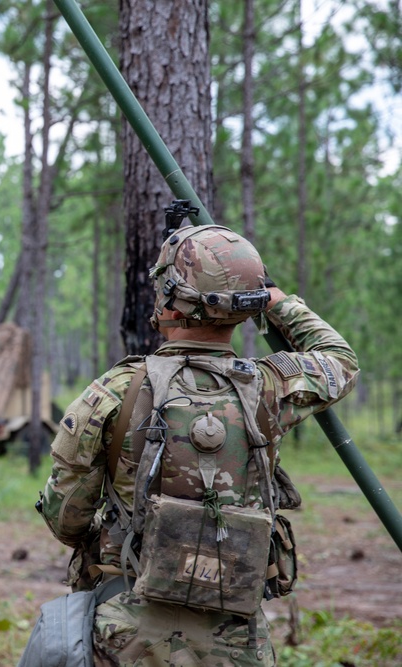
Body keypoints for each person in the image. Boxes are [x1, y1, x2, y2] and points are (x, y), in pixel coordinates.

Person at [34, 224, 359, 666]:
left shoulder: (113, 391)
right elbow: (340, 359)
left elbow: (67, 519)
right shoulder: (269, 388)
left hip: (129, 629)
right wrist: (278, 303)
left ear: (171, 300)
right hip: (236, 637)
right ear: (244, 306)